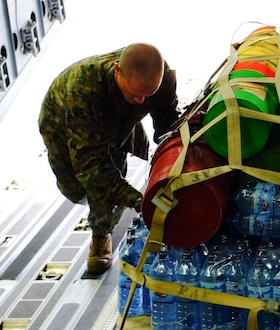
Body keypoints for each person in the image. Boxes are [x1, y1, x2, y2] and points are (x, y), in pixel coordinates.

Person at [38, 43, 179, 276]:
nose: (141, 101)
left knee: (112, 177)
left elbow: (167, 122)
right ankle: (105, 214)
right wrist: (140, 201)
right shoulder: (83, 91)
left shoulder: (158, 80)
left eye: (147, 96)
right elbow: (92, 168)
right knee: (79, 187)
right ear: (117, 70)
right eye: (134, 94)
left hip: (118, 120)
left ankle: (101, 233)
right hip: (64, 122)